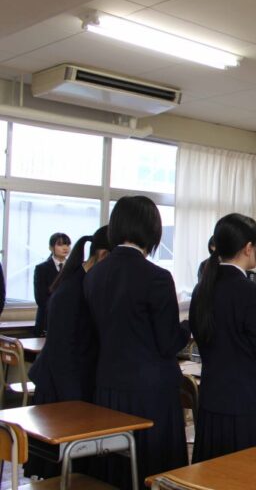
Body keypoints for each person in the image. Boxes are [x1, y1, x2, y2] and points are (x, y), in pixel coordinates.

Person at [84, 196, 190, 487]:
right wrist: (187, 326)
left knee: (114, 468)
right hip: (151, 392)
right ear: (152, 230)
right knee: (151, 469)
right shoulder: (157, 277)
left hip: (107, 387)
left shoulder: (94, 275)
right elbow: (168, 343)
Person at [190, 213, 256, 462]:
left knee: (213, 474)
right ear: (249, 247)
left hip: (212, 402)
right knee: (252, 474)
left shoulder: (202, 289)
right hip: (249, 407)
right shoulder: (251, 293)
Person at [26, 226, 109, 479]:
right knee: (58, 472)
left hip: (67, 384)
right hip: (60, 390)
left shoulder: (80, 281)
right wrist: (74, 403)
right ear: (103, 255)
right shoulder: (72, 289)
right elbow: (61, 352)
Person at [33, 232, 71, 335]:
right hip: (47, 319)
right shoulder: (41, 268)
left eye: (67, 244)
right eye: (60, 244)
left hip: (69, 319)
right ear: (51, 248)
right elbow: (40, 298)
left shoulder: (74, 268)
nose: (65, 248)